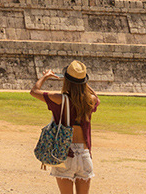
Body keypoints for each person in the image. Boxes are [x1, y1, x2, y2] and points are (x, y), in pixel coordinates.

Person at [30, 60, 100, 194]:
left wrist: (46, 76)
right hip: (84, 154)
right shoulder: (90, 101)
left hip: (65, 153)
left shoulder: (59, 99)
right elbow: (97, 97)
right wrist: (82, 83)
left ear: (66, 80)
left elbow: (34, 91)